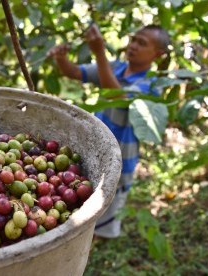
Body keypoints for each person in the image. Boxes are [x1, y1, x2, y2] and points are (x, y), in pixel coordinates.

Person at [48, 24, 170, 239]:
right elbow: (75, 72)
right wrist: (61, 58)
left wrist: (99, 53)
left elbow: (119, 98)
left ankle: (95, 243)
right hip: (96, 151)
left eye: (142, 43)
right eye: (134, 39)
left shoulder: (152, 86)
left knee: (104, 213)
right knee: (84, 202)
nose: (133, 46)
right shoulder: (115, 68)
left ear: (158, 55)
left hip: (121, 161)